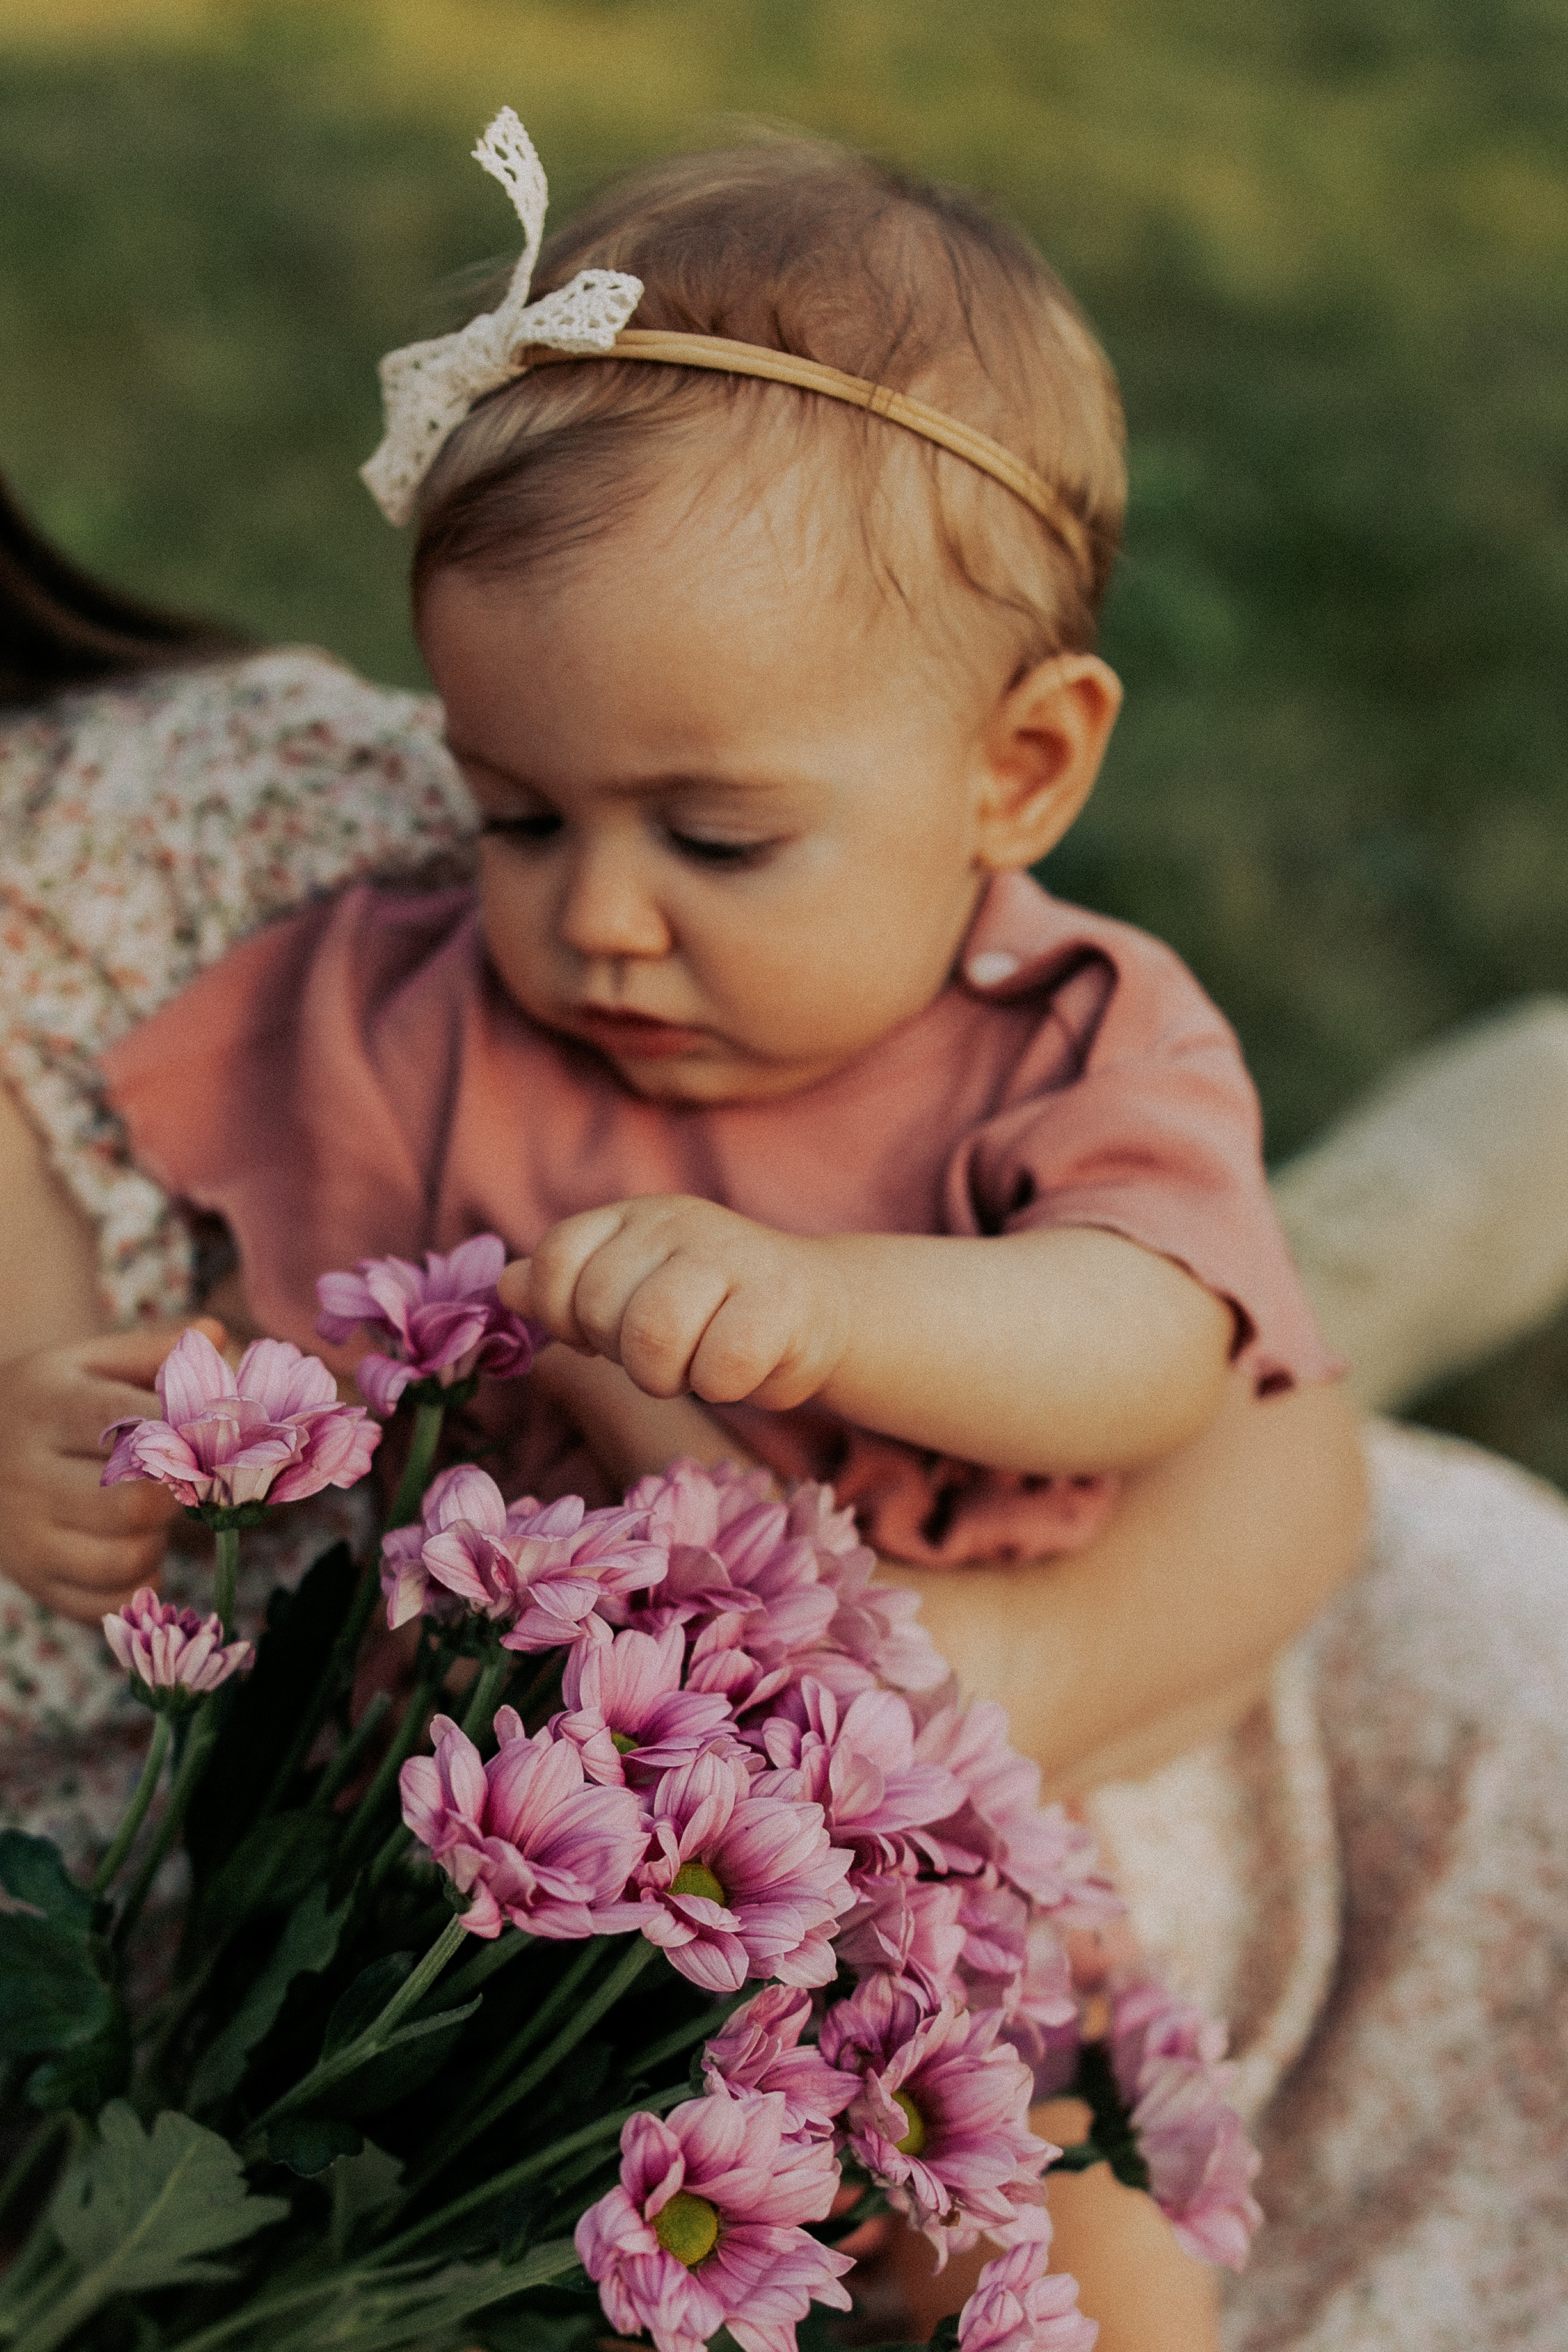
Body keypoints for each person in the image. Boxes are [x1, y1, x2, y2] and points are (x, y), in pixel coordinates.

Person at [1, 118, 1564, 2348]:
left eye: (714, 837)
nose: (592, 916)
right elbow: (303, 1368)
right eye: (516, 812)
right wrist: (130, 1434)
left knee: (1053, 2232)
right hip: (537, 1845)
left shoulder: (1065, 1027)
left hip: (923, 1817)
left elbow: (1166, 1340)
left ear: (1017, 776)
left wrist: (826, 1303)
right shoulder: (411, 1008)